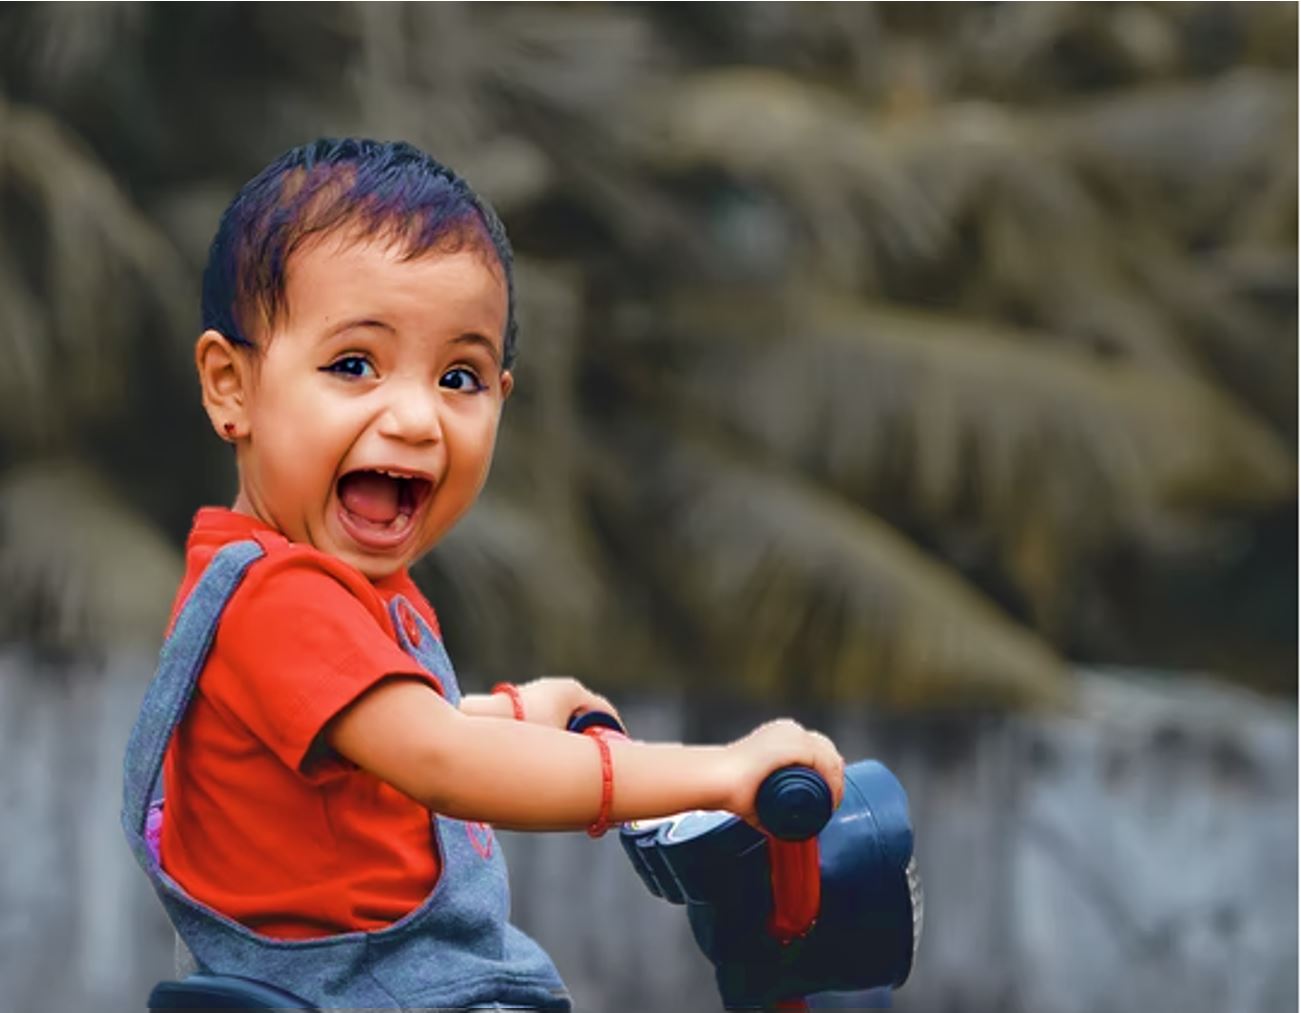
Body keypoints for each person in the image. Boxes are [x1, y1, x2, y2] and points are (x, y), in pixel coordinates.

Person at [121, 137, 845, 1011]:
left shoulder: (324, 588)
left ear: (502, 394)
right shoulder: (279, 597)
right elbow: (439, 760)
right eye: (355, 364)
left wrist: (510, 709)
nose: (419, 417)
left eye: (459, 376)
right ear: (230, 384)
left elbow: (377, 734)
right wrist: (723, 772)